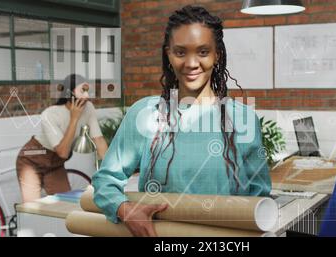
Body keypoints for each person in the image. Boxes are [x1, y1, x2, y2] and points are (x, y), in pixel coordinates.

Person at [92, 5, 271, 237]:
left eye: (203, 52)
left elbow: (260, 196)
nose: (191, 63)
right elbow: (106, 179)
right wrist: (125, 209)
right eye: (180, 52)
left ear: (217, 55)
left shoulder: (243, 119)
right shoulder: (145, 114)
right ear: (168, 54)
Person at [16, 74, 108, 203]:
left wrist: (112, 168)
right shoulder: (50, 114)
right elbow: (63, 152)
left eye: (88, 91)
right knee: (32, 209)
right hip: (32, 160)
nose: (87, 96)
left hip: (55, 164)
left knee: (64, 205)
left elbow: (98, 140)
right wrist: (74, 118)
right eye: (83, 90)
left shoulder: (89, 108)